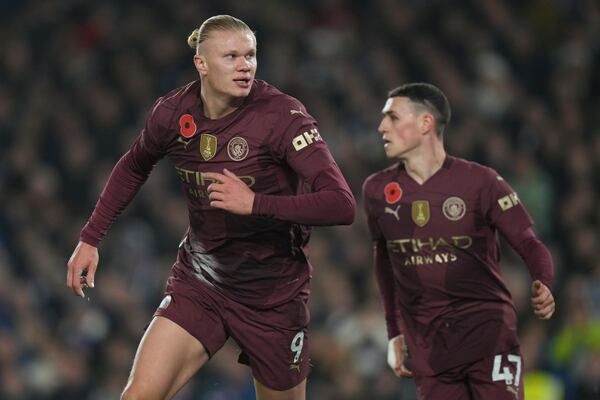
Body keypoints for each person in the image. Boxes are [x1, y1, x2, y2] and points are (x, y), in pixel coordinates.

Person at [67, 15, 355, 400]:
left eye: (251, 56)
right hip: (202, 281)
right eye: (231, 56)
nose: (245, 66)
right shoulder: (173, 114)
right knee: (137, 396)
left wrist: (255, 203)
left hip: (273, 296)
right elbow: (134, 165)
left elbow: (342, 204)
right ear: (201, 63)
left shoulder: (282, 118)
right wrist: (90, 238)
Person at [362, 82, 555, 399]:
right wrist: (394, 331)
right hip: (430, 347)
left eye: (393, 117)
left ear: (426, 123)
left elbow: (529, 242)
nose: (382, 126)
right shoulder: (376, 190)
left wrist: (543, 281)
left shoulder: (481, 182)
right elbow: (384, 260)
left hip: (488, 335)